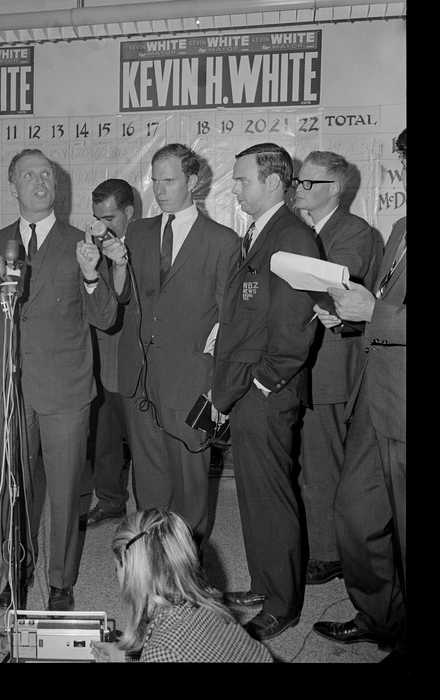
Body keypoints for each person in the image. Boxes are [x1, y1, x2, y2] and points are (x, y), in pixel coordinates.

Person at [0, 148, 116, 612]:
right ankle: (15, 569)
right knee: (13, 490)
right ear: (12, 184)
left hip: (65, 388)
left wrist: (91, 274)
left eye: (47, 175)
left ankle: (61, 579)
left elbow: (105, 317)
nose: (40, 182)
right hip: (12, 391)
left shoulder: (81, 242)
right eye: (29, 175)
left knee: (64, 492)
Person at [100, 144, 239, 548]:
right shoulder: (138, 232)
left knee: (191, 482)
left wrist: (216, 386)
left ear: (193, 182)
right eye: (155, 181)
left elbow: (229, 321)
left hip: (192, 381)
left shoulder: (221, 241)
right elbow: (122, 299)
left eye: (169, 181)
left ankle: (188, 567)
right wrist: (118, 265)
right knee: (148, 477)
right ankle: (150, 559)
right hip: (140, 378)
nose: (159, 190)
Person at [211, 142, 319, 641]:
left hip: (267, 390)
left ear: (273, 181)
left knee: (271, 495)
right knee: (253, 494)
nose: (234, 190)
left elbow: (296, 326)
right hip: (249, 385)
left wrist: (262, 382)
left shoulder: (291, 235)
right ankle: (263, 584)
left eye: (242, 180)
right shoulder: (260, 233)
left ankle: (282, 602)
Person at [312, 129, 406, 656]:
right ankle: (380, 617)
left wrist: (377, 313)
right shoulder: (401, 228)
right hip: (377, 395)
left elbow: (386, 312)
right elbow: (378, 310)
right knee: (355, 511)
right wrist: (349, 319)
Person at [292, 151, 380, 586]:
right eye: (298, 181)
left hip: (330, 363)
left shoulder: (354, 231)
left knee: (323, 462)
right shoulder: (302, 228)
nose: (299, 189)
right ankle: (321, 539)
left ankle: (327, 554)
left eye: (309, 183)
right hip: (301, 359)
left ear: (336, 190)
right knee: (309, 461)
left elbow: (339, 281)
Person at [90, 509, 273, 663]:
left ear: (132, 575)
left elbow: (168, 654)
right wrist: (127, 657)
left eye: (118, 566)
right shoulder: (207, 598)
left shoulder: (162, 651)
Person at [85, 179, 137, 528]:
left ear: (129, 212)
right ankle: (110, 500)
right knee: (103, 439)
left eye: (109, 218)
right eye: (96, 218)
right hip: (99, 358)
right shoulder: (90, 246)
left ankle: (151, 509)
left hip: (135, 362)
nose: (101, 227)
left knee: (142, 442)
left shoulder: (147, 244)